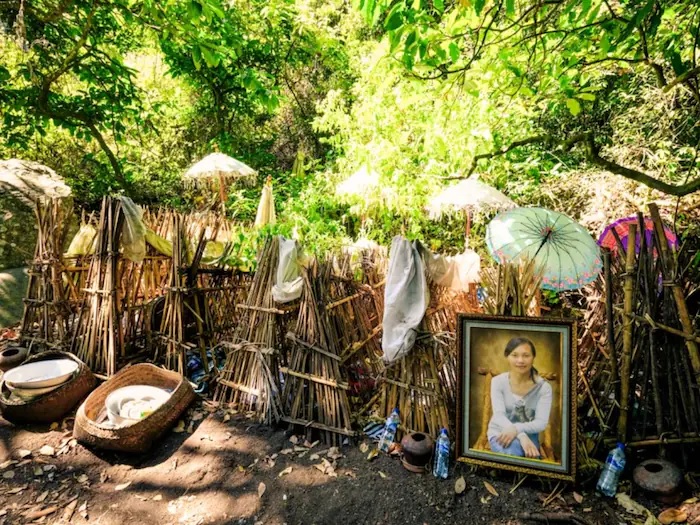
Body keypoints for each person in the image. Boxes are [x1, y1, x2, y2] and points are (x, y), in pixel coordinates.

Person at [486, 337, 552, 459]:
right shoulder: (498, 382)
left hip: (530, 436)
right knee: (512, 454)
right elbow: (499, 415)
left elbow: (541, 423)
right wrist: (521, 436)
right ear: (507, 357)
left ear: (533, 358)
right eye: (514, 355)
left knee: (528, 458)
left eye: (526, 355)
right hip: (500, 432)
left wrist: (517, 429)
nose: (520, 360)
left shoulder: (543, 388)